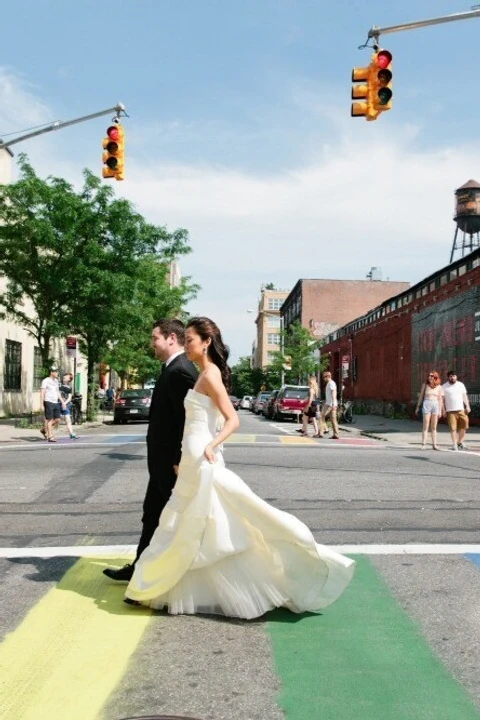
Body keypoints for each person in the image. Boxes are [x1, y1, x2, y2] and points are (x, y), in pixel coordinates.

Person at [123, 317, 354, 618]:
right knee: (186, 526)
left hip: (203, 460)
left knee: (215, 521)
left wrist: (211, 444)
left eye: (191, 340)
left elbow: (232, 419)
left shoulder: (211, 375)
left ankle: (294, 560)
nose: (187, 345)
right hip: (192, 460)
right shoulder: (202, 374)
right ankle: (166, 585)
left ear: (205, 342)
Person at [103, 318, 198, 582]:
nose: (151, 343)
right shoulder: (171, 368)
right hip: (162, 462)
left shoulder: (180, 371)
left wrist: (179, 460)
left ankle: (174, 572)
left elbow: (185, 420)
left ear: (171, 338)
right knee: (152, 513)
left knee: (172, 518)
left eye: (154, 338)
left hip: (171, 464)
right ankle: (140, 566)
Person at [441, 370, 471, 451]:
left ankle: (460, 443)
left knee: (464, 426)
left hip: (461, 410)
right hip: (450, 411)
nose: (452, 377)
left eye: (454, 376)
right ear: (448, 377)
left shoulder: (461, 385)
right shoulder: (444, 386)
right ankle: (454, 444)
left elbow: (464, 396)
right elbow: (442, 400)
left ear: (456, 377)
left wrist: (467, 406)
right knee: (453, 428)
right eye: (450, 376)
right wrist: (443, 410)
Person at [414, 371, 443, 450]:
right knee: (425, 425)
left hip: (435, 404)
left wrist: (440, 410)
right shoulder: (425, 385)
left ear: (435, 377)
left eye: (432, 376)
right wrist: (418, 406)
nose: (430, 377)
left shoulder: (439, 387)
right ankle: (423, 444)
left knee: (434, 426)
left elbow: (440, 399)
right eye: (429, 375)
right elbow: (421, 397)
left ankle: (434, 444)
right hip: (427, 403)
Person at [40, 367, 65, 442]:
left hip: (55, 402)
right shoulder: (46, 381)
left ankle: (45, 429)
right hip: (48, 401)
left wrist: (62, 402)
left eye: (57, 371)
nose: (57, 373)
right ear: (51, 372)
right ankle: (50, 436)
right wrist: (41, 404)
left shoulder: (56, 381)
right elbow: (42, 392)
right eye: (55, 372)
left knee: (57, 419)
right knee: (50, 420)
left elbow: (57, 392)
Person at [318, 370, 340, 439]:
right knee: (333, 419)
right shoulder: (330, 383)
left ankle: (321, 433)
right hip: (331, 403)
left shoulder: (331, 383)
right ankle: (336, 434)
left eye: (324, 377)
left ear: (328, 376)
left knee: (321, 416)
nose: (323, 379)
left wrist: (333, 403)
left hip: (330, 404)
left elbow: (333, 393)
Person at [58, 372, 78, 440]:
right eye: (64, 376)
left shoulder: (69, 387)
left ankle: (71, 433)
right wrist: (62, 402)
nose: (64, 377)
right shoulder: (59, 384)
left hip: (65, 404)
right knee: (55, 420)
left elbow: (69, 398)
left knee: (68, 419)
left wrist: (65, 403)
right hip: (57, 403)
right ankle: (45, 430)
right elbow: (58, 394)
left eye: (66, 377)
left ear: (69, 379)